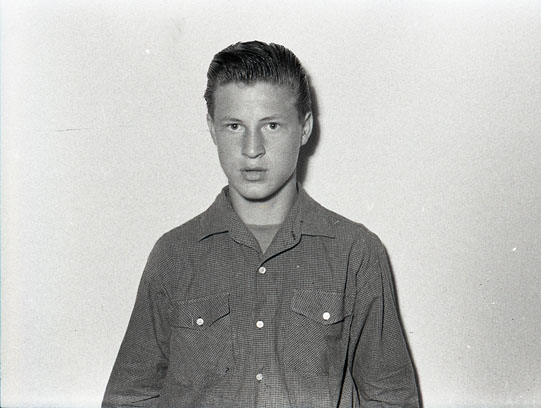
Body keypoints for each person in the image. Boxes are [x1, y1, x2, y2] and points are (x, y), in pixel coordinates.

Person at [102, 40, 420, 407]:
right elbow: (130, 397)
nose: (252, 149)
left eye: (271, 125)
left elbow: (391, 398)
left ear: (304, 128)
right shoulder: (174, 255)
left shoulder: (356, 253)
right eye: (234, 126)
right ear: (212, 129)